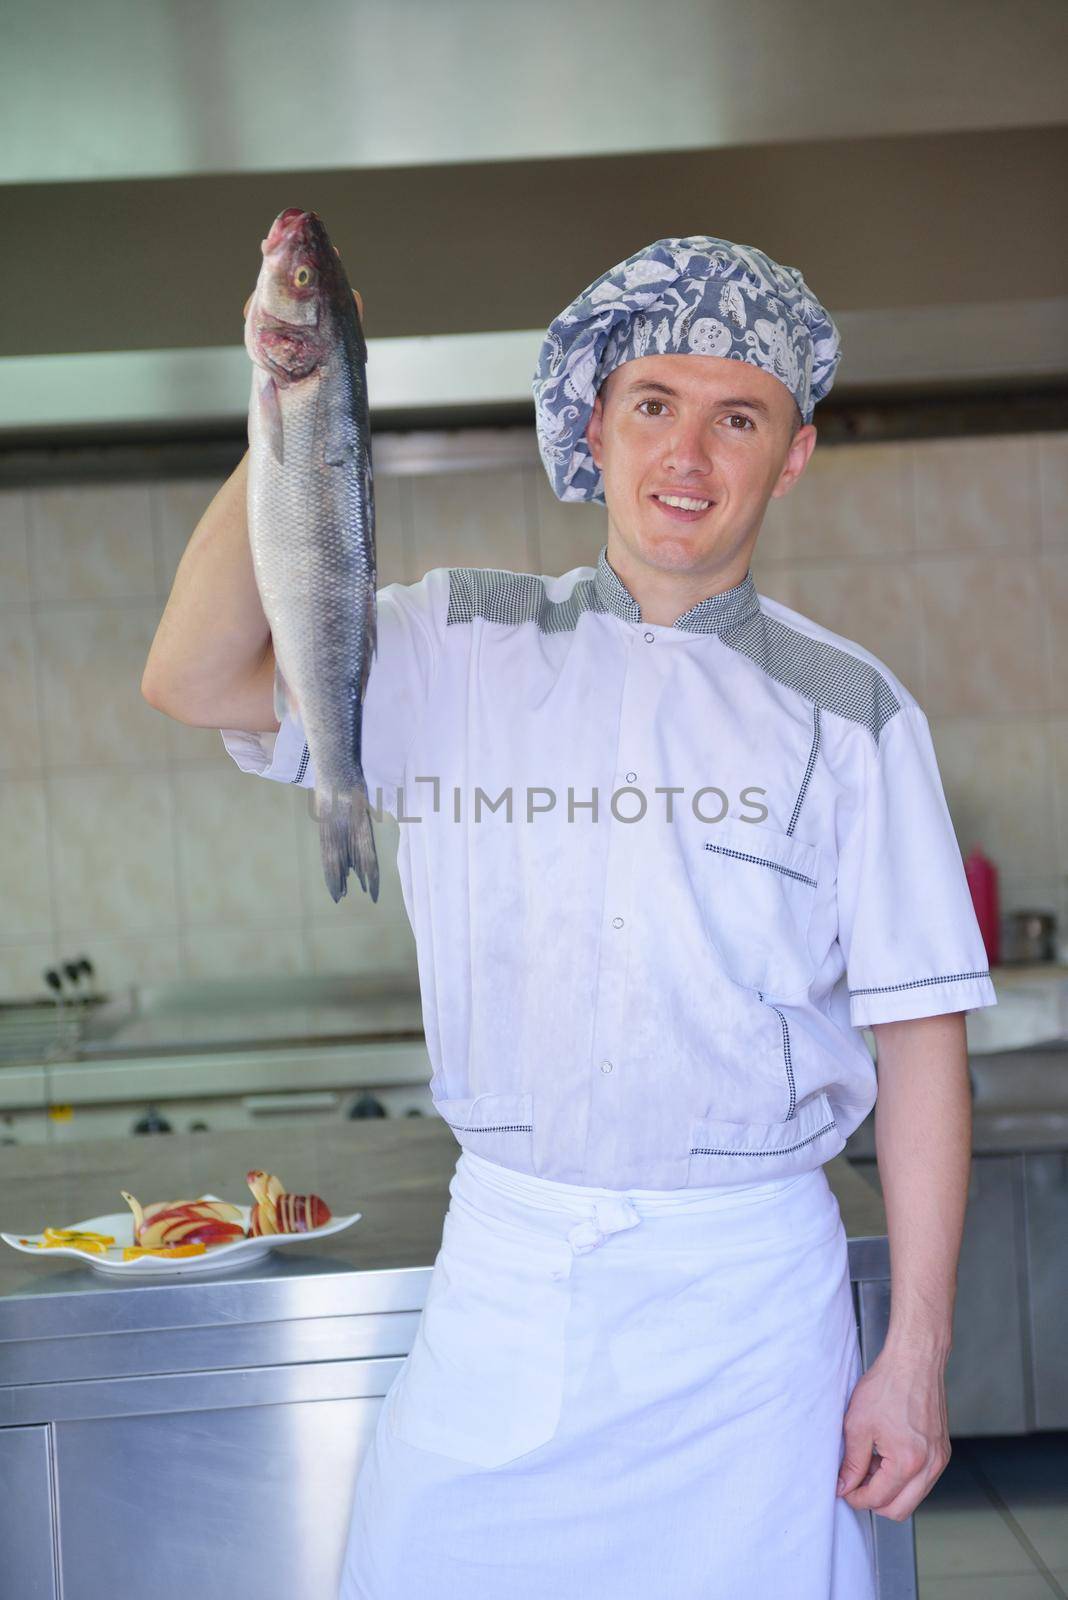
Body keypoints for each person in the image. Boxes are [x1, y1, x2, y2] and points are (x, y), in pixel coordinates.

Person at [143, 236, 997, 1599]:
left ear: (792, 455)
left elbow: (921, 1045)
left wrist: (917, 1357)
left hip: (749, 1320)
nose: (689, 457)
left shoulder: (855, 715)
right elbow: (193, 678)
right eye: (654, 405)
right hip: (509, 1289)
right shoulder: (450, 649)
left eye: (739, 418)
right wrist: (299, 411)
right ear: (595, 426)